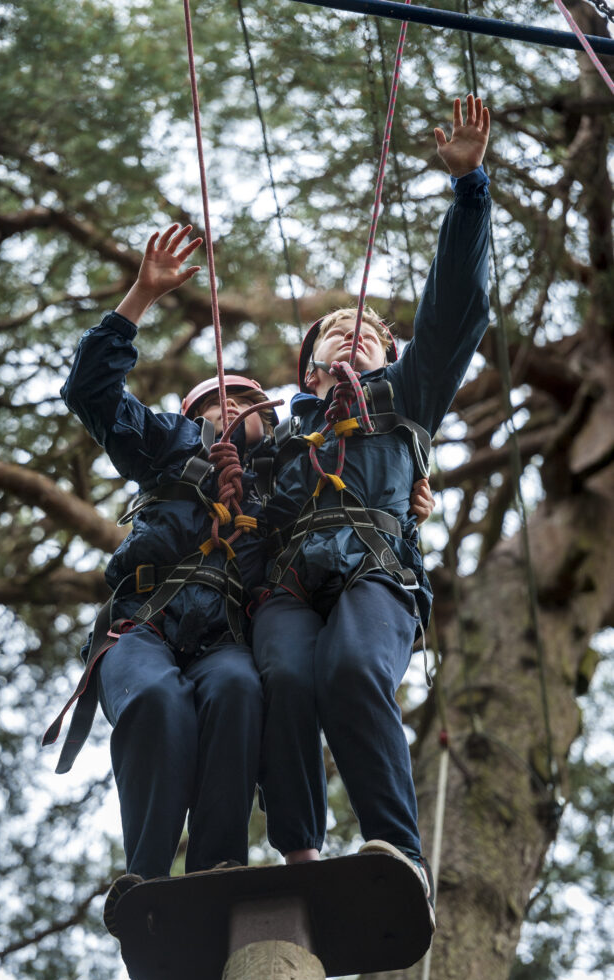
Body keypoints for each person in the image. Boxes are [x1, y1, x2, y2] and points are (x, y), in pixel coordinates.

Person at [252, 94, 492, 927]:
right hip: (288, 578)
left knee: (353, 671)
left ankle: (394, 847)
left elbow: (456, 310)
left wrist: (468, 192)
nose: (352, 333)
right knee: (284, 679)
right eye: (334, 329)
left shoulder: (407, 394)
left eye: (370, 332)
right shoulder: (276, 435)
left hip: (373, 568)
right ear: (306, 364)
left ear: (392, 355)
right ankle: (300, 852)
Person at [43, 226, 278, 932]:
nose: (236, 405)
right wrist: (140, 298)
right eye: (221, 398)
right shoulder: (167, 444)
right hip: (144, 622)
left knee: (238, 691)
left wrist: (408, 502)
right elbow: (90, 391)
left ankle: (217, 866)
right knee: (154, 700)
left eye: (252, 402)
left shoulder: (289, 487)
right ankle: (145, 875)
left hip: (226, 635)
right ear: (193, 414)